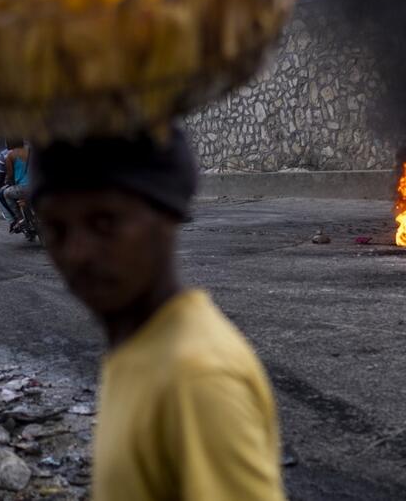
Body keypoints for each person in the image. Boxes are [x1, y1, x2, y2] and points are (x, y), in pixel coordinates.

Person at [32, 129, 285, 501]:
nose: (76, 253)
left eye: (105, 222)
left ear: (167, 215)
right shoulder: (138, 345)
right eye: (56, 229)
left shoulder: (197, 379)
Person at [2, 140, 31, 231]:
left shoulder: (10, 156)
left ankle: (19, 218)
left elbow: (10, 175)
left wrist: (7, 181)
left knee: (6, 193)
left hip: (23, 187)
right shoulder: (31, 150)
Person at [0, 142, 14, 222]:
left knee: (0, 195)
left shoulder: (6, 155)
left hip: (19, 186)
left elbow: (2, 176)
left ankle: (13, 220)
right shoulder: (30, 149)